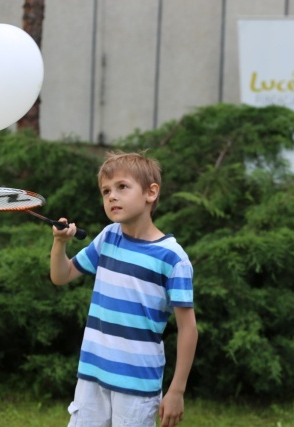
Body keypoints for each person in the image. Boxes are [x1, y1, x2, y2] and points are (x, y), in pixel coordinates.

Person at [50, 151, 198, 427]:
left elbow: (188, 328)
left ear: (150, 193)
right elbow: (62, 275)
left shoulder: (172, 259)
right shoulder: (108, 237)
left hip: (137, 384)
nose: (111, 196)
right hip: (92, 375)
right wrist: (60, 244)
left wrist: (176, 390)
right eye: (106, 191)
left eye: (122, 187)